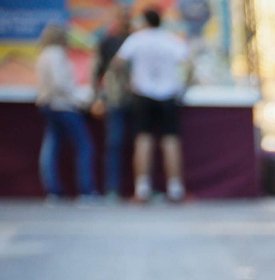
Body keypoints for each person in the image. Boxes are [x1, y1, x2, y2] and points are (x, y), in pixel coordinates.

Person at [116, 8, 190, 202]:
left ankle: (142, 189)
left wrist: (126, 82)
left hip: (142, 94)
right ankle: (175, 189)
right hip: (168, 94)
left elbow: (118, 63)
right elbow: (188, 62)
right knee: (170, 140)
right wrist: (184, 86)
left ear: (144, 22)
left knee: (143, 139)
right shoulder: (170, 39)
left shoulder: (136, 39)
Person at [35, 23, 98, 202]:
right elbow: (60, 83)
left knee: (52, 146)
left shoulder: (43, 55)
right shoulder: (56, 54)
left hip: (49, 104)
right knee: (84, 146)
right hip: (63, 105)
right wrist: (78, 99)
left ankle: (53, 190)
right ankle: (86, 190)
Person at [94, 7, 133, 200]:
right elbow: (99, 73)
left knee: (139, 144)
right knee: (114, 144)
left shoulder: (135, 40)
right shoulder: (107, 42)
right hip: (114, 99)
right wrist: (98, 98)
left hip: (135, 100)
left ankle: (140, 188)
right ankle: (112, 188)